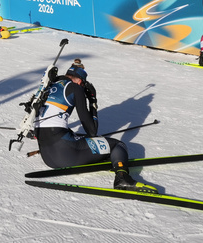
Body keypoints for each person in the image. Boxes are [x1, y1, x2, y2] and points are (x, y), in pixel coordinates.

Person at [35, 60, 154, 192]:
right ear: (80, 81)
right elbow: (92, 131)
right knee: (118, 145)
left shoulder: (48, 86)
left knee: (77, 136)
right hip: (66, 154)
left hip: (48, 156)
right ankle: (122, 178)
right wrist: (92, 100)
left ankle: (96, 155)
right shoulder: (75, 88)